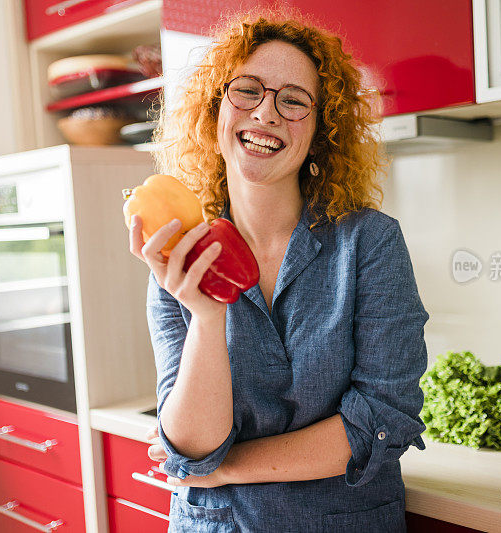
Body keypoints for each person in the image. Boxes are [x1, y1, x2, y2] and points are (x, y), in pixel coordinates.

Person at [128, 10, 429, 532]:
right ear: (214, 111)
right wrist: (205, 315)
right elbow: (193, 445)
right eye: (247, 90)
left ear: (319, 133)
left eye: (293, 101)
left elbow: (383, 419)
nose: (266, 113)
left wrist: (227, 471)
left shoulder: (370, 242)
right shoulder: (180, 250)